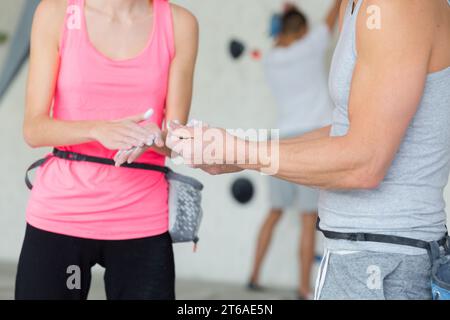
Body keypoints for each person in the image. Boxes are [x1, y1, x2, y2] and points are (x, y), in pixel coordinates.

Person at [167, 0, 450, 300]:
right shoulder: (355, 8)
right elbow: (347, 129)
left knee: (284, 217)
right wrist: (239, 154)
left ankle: (265, 277)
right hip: (357, 254)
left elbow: (365, 163)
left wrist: (240, 152)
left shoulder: (396, 6)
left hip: (385, 258)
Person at [16, 0, 198, 300]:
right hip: (61, 214)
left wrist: (155, 138)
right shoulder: (55, 13)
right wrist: (97, 129)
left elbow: (176, 141)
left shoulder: (180, 24)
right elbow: (33, 128)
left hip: (142, 217)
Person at [248, 1, 340, 299]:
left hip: (280, 139)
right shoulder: (310, 46)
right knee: (306, 218)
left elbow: (284, 35)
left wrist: (289, 15)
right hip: (310, 140)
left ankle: (253, 275)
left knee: (273, 212)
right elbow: (329, 20)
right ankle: (303, 288)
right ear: (302, 30)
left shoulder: (271, 59)